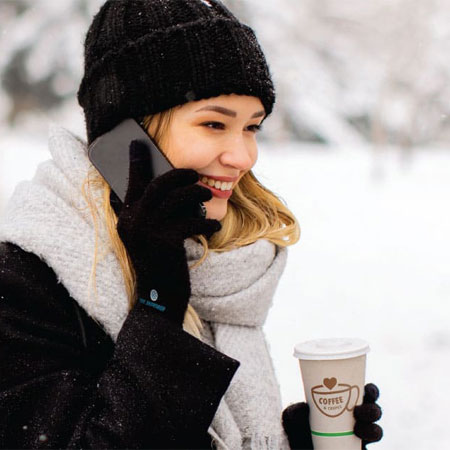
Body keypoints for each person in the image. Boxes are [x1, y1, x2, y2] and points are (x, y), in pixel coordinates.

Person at [0, 0, 383, 448]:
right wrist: (159, 303)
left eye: (251, 128)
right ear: (130, 141)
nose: (242, 157)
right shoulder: (23, 281)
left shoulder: (213, 263)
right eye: (214, 123)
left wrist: (294, 441)